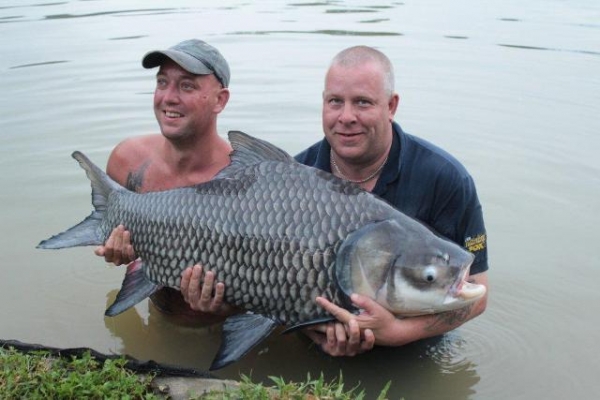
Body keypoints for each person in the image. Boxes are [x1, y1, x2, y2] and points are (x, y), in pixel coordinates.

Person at [100, 44, 489, 357]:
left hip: (416, 351)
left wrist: (397, 333)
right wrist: (313, 331)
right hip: (318, 344)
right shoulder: (296, 173)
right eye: (335, 101)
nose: (346, 116)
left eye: (364, 103)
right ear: (322, 104)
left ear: (391, 106)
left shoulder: (446, 178)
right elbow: (267, 285)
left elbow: (477, 293)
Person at [94, 38, 237, 321]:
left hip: (229, 333)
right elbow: (106, 237)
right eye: (162, 83)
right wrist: (115, 250)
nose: (169, 97)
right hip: (160, 317)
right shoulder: (127, 161)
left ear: (220, 100)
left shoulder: (247, 178)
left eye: (187, 86)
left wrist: (226, 305)